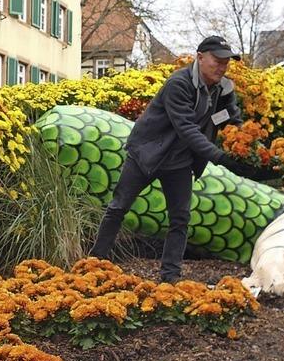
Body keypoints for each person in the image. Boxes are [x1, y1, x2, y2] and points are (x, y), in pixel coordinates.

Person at [89, 36, 268, 283]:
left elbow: (232, 122)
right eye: (217, 60)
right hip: (148, 152)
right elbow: (187, 128)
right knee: (119, 206)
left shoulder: (224, 88)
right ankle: (95, 265)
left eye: (226, 62)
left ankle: (170, 278)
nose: (222, 67)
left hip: (180, 160)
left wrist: (250, 149)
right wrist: (220, 157)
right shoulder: (178, 84)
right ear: (200, 56)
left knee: (180, 218)